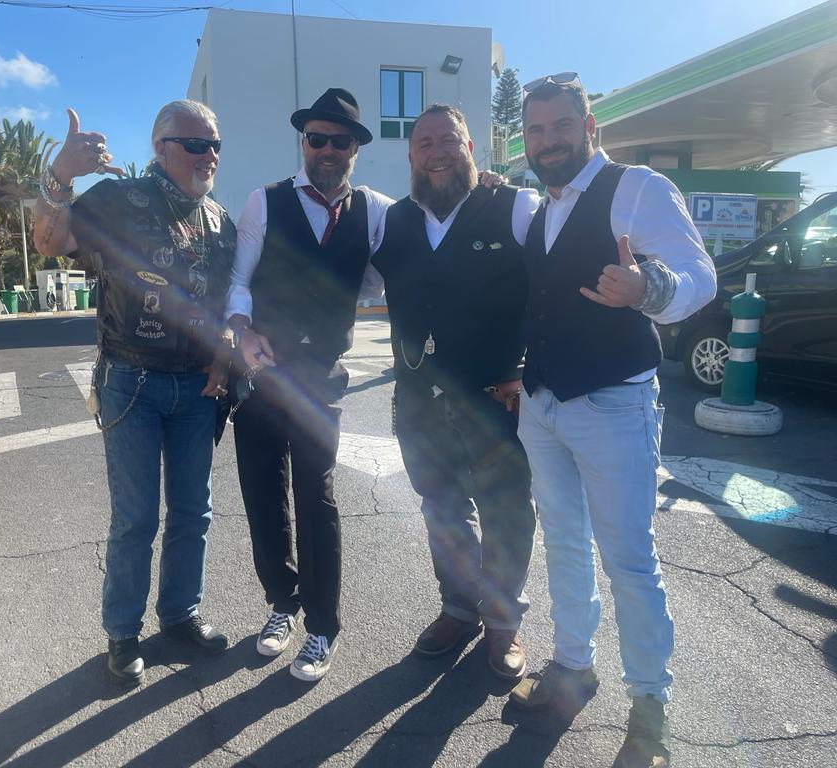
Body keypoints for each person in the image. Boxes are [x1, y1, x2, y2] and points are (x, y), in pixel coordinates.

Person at [508, 73, 716, 768]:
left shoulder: (638, 188)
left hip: (614, 403)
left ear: (588, 125)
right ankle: (573, 665)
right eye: (535, 130)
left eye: (559, 126)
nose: (547, 141)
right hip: (543, 404)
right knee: (564, 542)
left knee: (629, 559)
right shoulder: (541, 206)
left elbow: (699, 275)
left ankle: (650, 705)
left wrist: (649, 288)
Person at [33, 100, 236, 684]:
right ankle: (122, 634)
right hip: (133, 380)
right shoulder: (121, 201)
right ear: (161, 147)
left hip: (198, 387)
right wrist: (61, 178)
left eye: (215, 143)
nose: (209, 154)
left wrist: (223, 358)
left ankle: (179, 615)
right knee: (135, 518)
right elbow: (50, 240)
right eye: (196, 144)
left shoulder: (219, 219)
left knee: (193, 512)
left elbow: (227, 303)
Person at [225, 88, 391, 682]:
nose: (325, 148)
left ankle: (323, 626)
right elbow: (238, 283)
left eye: (338, 140)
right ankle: (282, 603)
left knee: (316, 496)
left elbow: (388, 274)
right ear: (303, 142)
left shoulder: (376, 211)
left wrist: (490, 192)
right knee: (262, 492)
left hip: (322, 374)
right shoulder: (264, 202)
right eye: (315, 138)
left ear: (355, 149)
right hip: (263, 369)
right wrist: (241, 331)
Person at [371, 104, 539, 681]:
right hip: (418, 399)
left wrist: (527, 364)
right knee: (442, 508)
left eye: (449, 140)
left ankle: (503, 622)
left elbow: (554, 289)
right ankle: (458, 610)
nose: (436, 151)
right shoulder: (390, 220)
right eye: (424, 143)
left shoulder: (515, 206)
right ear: (411, 155)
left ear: (473, 147)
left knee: (506, 510)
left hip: (497, 398)